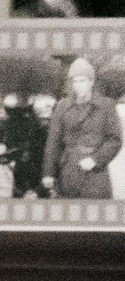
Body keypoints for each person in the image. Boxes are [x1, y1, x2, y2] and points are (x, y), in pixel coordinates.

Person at [44, 56, 120, 198]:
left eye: (83, 81)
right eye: (75, 81)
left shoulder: (106, 106)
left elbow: (115, 140)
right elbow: (53, 142)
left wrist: (95, 159)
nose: (78, 86)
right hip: (68, 170)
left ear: (91, 81)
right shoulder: (62, 106)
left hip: (95, 174)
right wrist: (48, 172)